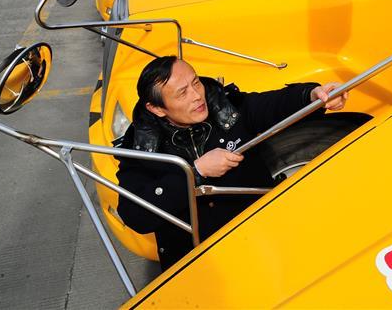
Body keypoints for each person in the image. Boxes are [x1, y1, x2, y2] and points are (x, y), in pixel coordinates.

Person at [115, 56, 348, 270]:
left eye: (196, 83)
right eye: (182, 93)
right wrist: (195, 173)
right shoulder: (141, 149)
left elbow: (273, 104)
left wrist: (313, 96)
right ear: (156, 108)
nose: (197, 96)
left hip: (261, 238)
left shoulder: (226, 107)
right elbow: (135, 215)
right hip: (202, 264)